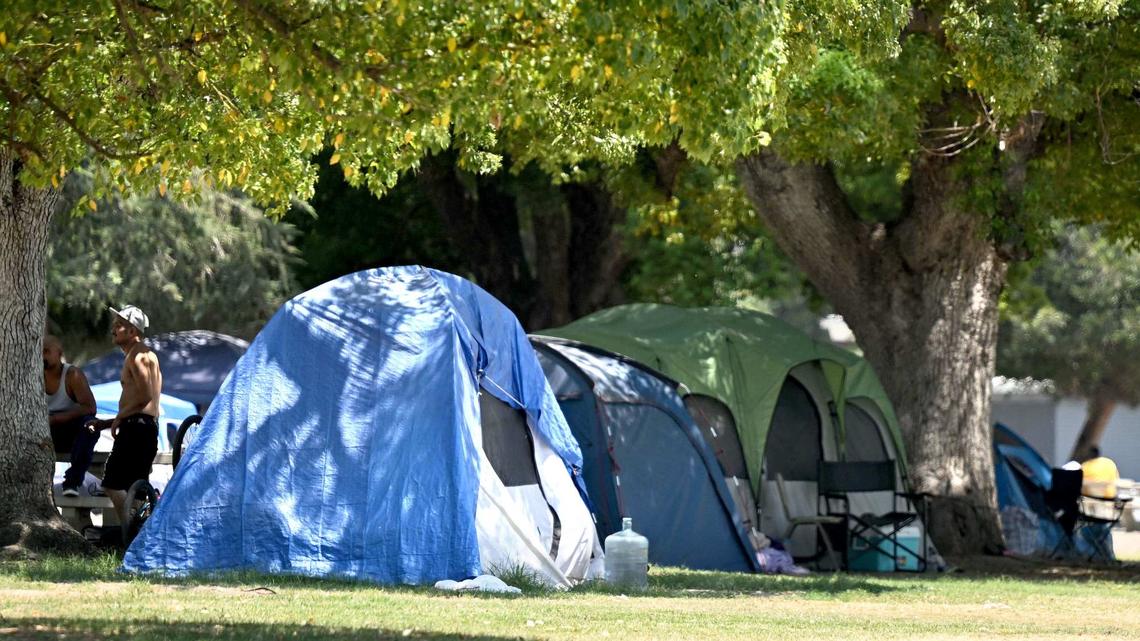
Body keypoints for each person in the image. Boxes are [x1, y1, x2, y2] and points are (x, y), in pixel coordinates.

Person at [86, 305, 162, 526]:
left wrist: (120, 418)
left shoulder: (139, 355)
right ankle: (140, 534)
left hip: (137, 428)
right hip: (141, 426)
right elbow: (137, 402)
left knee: (112, 482)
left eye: (119, 326)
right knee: (134, 488)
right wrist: (106, 423)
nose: (113, 330)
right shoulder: (140, 354)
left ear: (132, 331)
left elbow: (145, 396)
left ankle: (130, 533)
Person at [43, 335, 99, 497]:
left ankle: (72, 482)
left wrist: (57, 418)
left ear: (59, 353)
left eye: (46, 352)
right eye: (39, 352)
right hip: (46, 432)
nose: (42, 356)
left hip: (72, 432)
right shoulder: (34, 376)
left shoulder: (72, 375)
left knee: (90, 426)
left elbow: (90, 407)